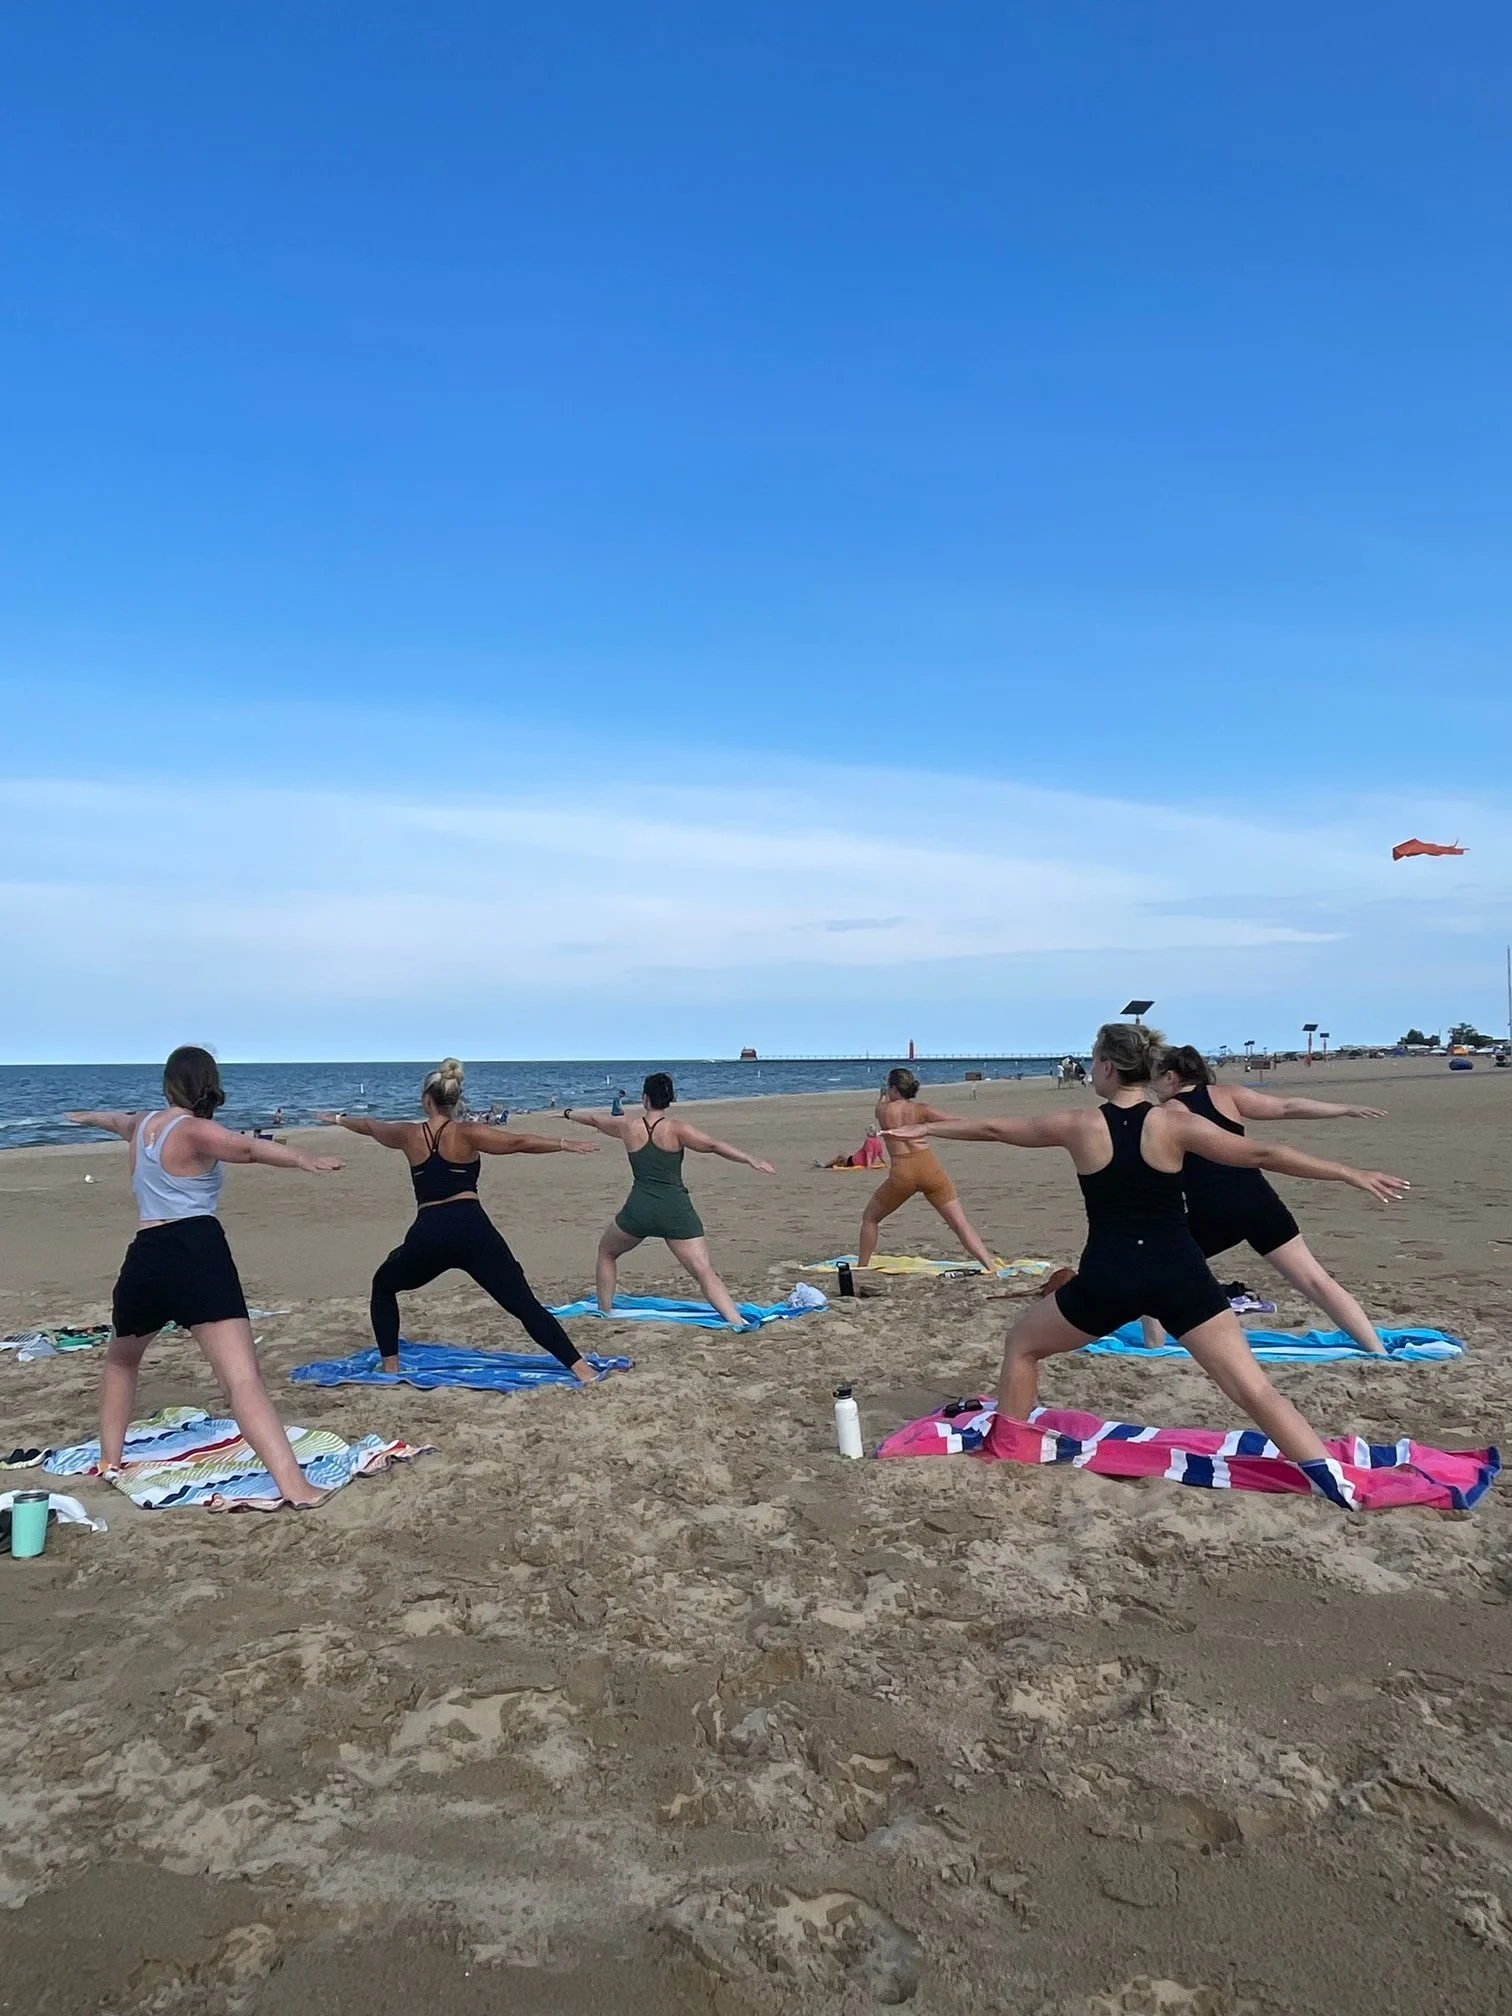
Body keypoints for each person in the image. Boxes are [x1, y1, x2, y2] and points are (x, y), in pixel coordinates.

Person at [885, 1022, 1407, 1488]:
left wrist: (928, 1128)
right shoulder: (1173, 1122)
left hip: (1109, 1277)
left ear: (1109, 1067)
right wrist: (1349, 1172)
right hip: (1178, 1271)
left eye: (1094, 1060)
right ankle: (1330, 1479)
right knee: (1252, 1388)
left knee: (1022, 1345)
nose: (1091, 1068)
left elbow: (996, 1129)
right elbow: (1264, 1154)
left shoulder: (1079, 1123)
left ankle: (1010, 1450)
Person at [66, 1045, 342, 1507]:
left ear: (168, 1084)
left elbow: (114, 1119)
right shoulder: (195, 1130)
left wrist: (84, 1116)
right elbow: (248, 1148)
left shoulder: (140, 1124)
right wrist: (301, 1158)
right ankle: (296, 1488)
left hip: (146, 1258)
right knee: (241, 1381)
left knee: (121, 1360)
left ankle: (110, 1460)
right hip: (196, 1251)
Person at [317, 1060, 602, 1382]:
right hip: (472, 1229)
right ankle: (582, 1370)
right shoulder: (468, 1133)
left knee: (383, 1285)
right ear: (456, 1102)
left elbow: (369, 1125)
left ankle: (391, 1368)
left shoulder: (408, 1134)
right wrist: (563, 1144)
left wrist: (337, 1119)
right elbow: (518, 1143)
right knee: (524, 1304)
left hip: (429, 1232)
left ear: (426, 1100)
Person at [1146, 1044, 1390, 1353]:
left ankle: (1152, 1350)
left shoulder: (1168, 1113)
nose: (1152, 1089)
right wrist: (1343, 1108)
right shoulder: (1228, 1095)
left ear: (1170, 1077)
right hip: (1258, 1201)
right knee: (1316, 1281)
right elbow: (1288, 1107)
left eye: (1153, 1081)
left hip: (1214, 1211)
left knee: (1154, 1270)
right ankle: (1376, 1349)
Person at [564, 1072, 773, 1326]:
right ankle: (735, 1320)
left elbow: (594, 1119)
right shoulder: (677, 1129)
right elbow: (713, 1145)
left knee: (607, 1252)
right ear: (670, 1099)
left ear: (645, 1098)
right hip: (675, 1211)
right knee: (703, 1271)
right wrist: (750, 1159)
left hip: (639, 1210)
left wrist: (567, 1113)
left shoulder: (627, 1126)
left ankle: (605, 1311)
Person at [858, 1067, 998, 1271]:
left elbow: (882, 1101)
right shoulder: (922, 1110)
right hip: (928, 1166)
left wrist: (883, 1093)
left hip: (902, 1171)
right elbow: (957, 1122)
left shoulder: (882, 1111)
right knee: (960, 1223)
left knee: (870, 1219)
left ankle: (862, 1266)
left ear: (893, 1089)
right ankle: (989, 1265)